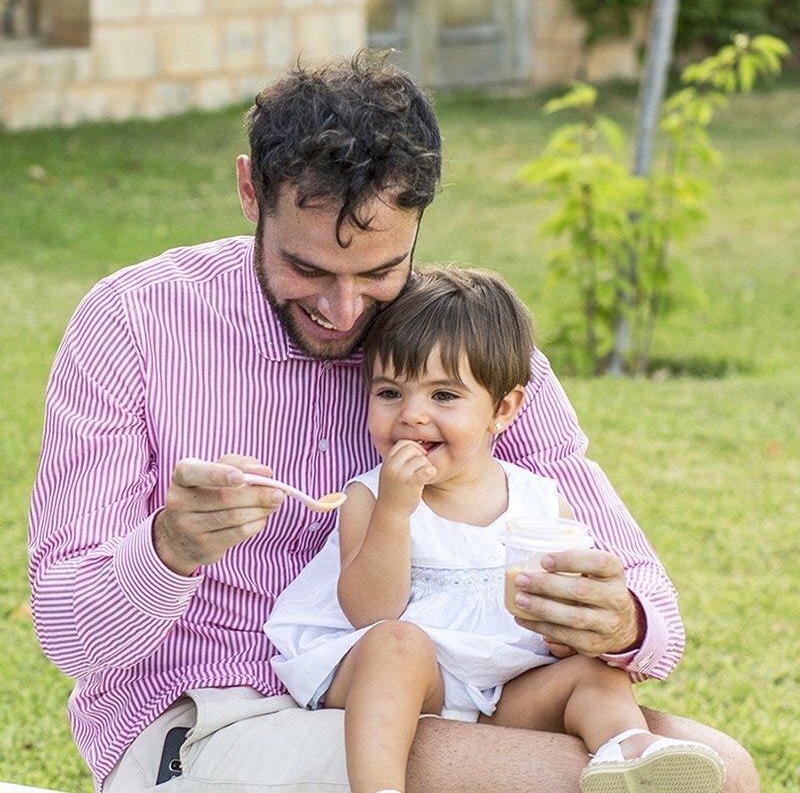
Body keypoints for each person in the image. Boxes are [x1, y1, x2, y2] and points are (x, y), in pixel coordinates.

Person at [27, 50, 758, 793]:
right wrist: (168, 548)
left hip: (464, 701)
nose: (343, 312)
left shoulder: (468, 351)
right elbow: (69, 635)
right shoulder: (133, 323)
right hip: (214, 719)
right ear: (251, 191)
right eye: (307, 269)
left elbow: (650, 603)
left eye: (379, 274)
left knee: (722, 772)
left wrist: (620, 621)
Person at [265, 266, 726, 793]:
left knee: (598, 675)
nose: (412, 416)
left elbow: (559, 614)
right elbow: (370, 613)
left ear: (502, 410)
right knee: (396, 645)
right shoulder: (368, 498)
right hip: (413, 680)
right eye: (390, 393)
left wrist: (561, 637)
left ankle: (630, 750)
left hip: (505, 691)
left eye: (444, 396)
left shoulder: (539, 501)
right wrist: (396, 510)